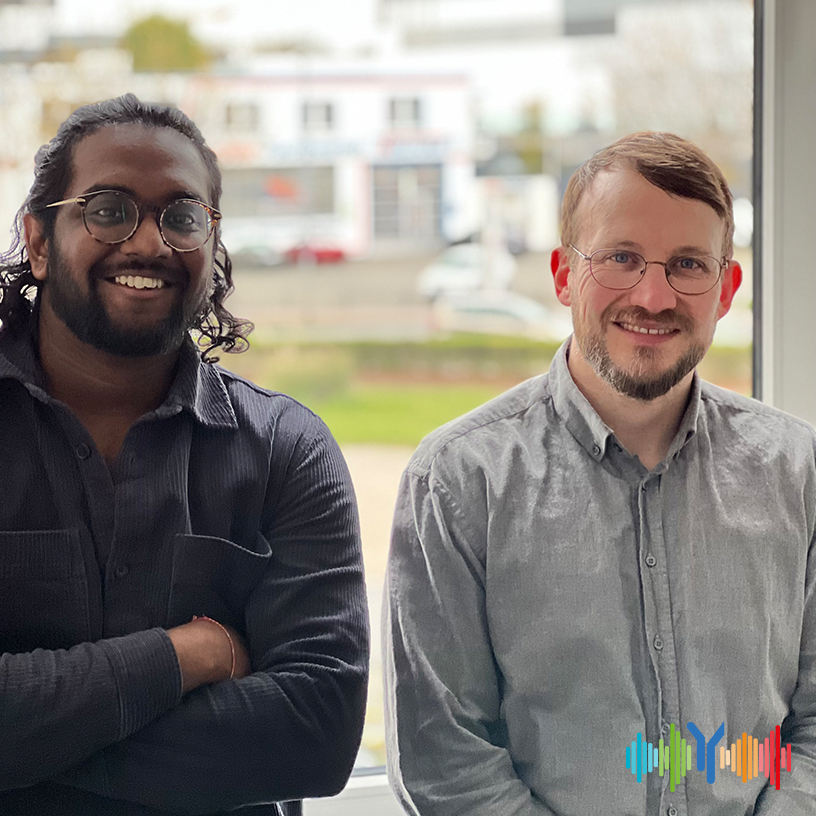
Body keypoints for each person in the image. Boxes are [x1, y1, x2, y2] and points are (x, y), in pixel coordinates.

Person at [384, 132, 816, 815]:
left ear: (727, 289)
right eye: (620, 258)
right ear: (562, 275)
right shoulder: (459, 483)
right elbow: (446, 760)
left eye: (687, 264)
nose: (653, 295)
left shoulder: (801, 472)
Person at [0, 94, 368, 815]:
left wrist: (36, 751)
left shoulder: (287, 451)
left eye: (181, 216)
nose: (147, 243)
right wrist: (182, 658)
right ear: (38, 242)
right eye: (107, 209)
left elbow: (317, 735)